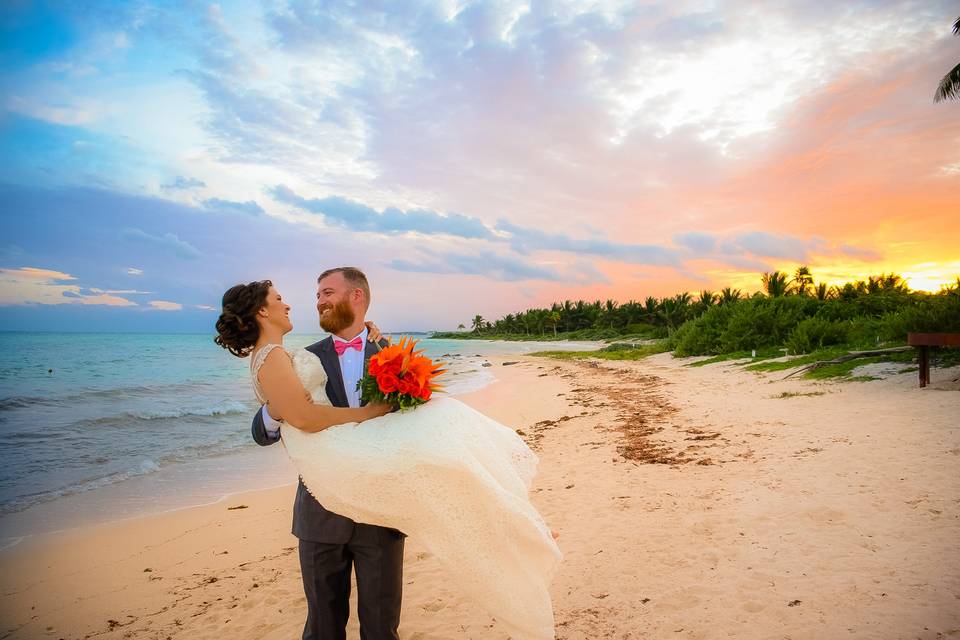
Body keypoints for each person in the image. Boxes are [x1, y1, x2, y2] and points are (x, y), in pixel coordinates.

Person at [215, 268, 561, 640]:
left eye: (327, 293)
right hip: (320, 515)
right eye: (317, 295)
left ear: (357, 297)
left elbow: (418, 426)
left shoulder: (397, 356)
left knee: (382, 627)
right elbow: (267, 426)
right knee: (321, 627)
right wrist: (273, 412)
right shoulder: (302, 356)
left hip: (382, 514)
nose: (318, 301)